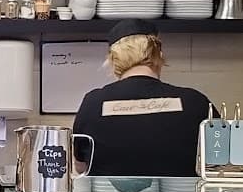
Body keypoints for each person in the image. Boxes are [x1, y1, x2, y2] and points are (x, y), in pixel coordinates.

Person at [71, 19, 212, 177]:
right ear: (159, 55)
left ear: (113, 60)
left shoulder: (93, 103)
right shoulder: (195, 102)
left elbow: (81, 167)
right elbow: (217, 163)